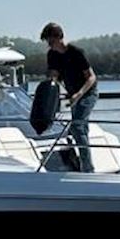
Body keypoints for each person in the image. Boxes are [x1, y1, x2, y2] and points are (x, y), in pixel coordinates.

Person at [41, 22, 97, 171]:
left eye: (51, 41)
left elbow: (91, 77)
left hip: (87, 93)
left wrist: (79, 94)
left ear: (59, 37)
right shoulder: (52, 55)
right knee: (81, 128)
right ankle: (77, 161)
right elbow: (54, 75)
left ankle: (88, 169)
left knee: (78, 126)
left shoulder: (76, 52)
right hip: (73, 95)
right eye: (48, 42)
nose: (49, 45)